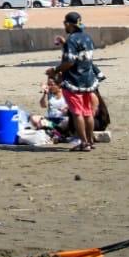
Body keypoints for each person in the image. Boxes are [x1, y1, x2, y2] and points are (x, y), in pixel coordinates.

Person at [51, 11, 100, 152]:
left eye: (65, 23)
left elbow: (70, 62)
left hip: (74, 81)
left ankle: (84, 143)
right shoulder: (87, 38)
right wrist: (64, 44)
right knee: (88, 112)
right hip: (88, 81)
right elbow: (81, 56)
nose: (64, 26)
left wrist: (55, 70)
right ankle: (90, 141)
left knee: (77, 113)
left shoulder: (71, 40)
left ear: (69, 24)